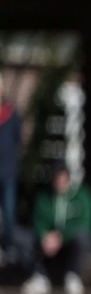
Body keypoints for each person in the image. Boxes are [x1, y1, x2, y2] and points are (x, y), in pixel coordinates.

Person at [20, 161, 91, 294]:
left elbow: (86, 223)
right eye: (56, 178)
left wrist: (60, 237)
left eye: (62, 177)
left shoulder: (82, 195)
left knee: (83, 237)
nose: (60, 181)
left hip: (70, 246)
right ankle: (39, 276)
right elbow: (38, 220)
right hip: (47, 246)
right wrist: (44, 236)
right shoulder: (43, 197)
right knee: (21, 237)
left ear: (68, 177)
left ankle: (73, 276)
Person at [0, 74, 22, 266]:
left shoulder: (12, 113)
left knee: (8, 212)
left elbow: (17, 139)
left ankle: (8, 247)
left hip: (7, 171)